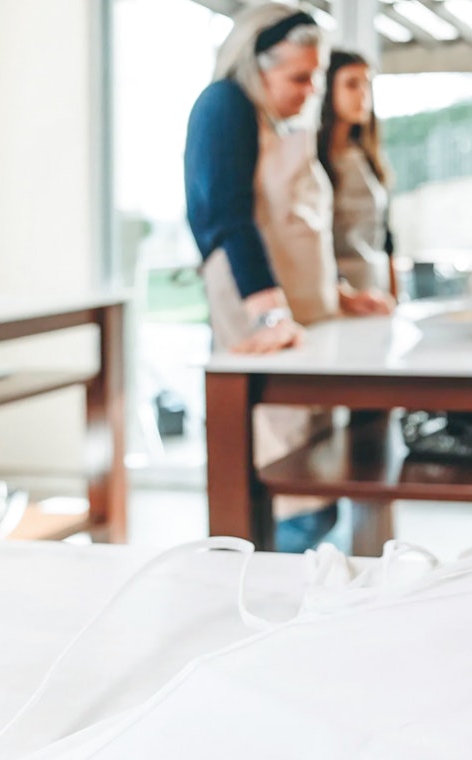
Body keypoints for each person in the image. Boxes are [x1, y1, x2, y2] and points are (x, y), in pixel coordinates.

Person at [184, 4, 384, 552]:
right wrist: (269, 313)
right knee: (292, 481)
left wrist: (337, 296)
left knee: (317, 472)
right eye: (299, 77)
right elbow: (226, 219)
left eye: (315, 76)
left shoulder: (278, 122)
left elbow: (291, 228)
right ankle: (265, 590)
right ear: (258, 65)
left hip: (299, 322)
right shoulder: (225, 106)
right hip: (261, 320)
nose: (311, 90)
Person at [319, 50, 398, 301]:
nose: (363, 94)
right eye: (352, 84)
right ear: (326, 88)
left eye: (366, 85)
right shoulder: (314, 160)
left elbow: (387, 236)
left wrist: (394, 295)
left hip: (377, 285)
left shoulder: (368, 158)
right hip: (334, 290)